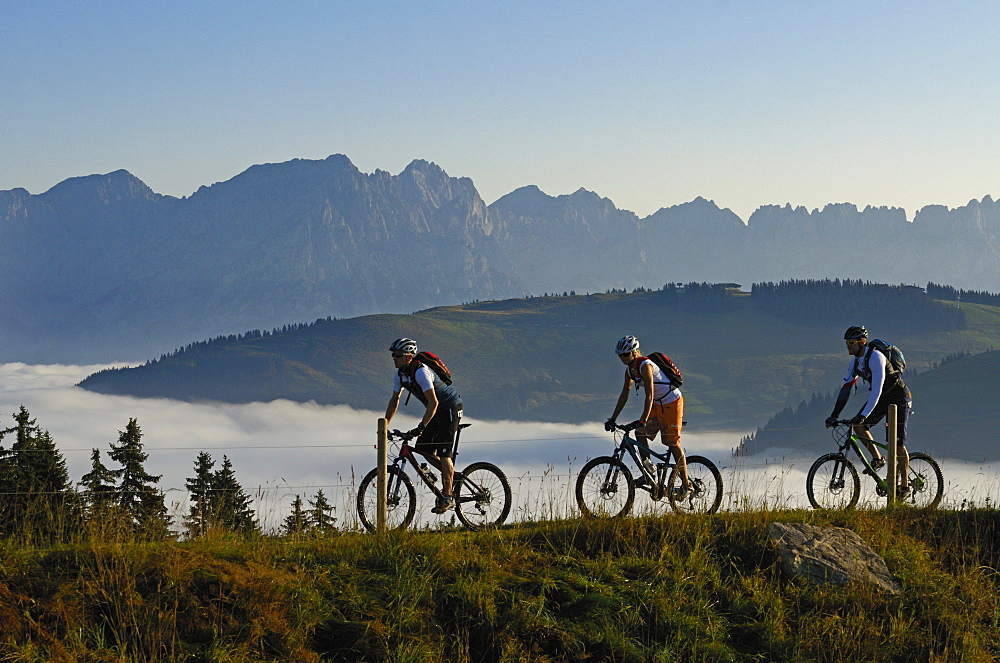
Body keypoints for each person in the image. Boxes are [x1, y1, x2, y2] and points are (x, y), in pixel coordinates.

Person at [825, 325, 912, 497]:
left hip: (899, 398)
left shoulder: (876, 358)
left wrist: (864, 414)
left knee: (896, 443)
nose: (848, 346)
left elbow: (876, 391)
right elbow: (845, 390)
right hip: (882, 399)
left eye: (851, 342)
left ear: (862, 342)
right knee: (858, 426)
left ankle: (904, 486)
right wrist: (834, 415)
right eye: (846, 343)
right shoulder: (855, 363)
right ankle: (878, 458)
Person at [605, 335, 691, 497]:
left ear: (634, 352)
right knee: (640, 433)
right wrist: (613, 418)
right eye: (620, 355)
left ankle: (686, 485)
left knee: (672, 443)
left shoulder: (646, 365)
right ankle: (648, 472)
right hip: (657, 405)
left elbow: (649, 394)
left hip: (672, 402)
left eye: (625, 354)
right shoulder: (630, 370)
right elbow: (625, 393)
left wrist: (643, 419)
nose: (622, 358)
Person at [384, 338, 463, 513]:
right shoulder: (400, 375)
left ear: (409, 357)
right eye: (393, 355)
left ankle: (448, 495)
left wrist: (421, 426)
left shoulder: (420, 371)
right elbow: (394, 400)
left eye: (398, 355)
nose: (394, 358)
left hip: (449, 407)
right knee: (424, 449)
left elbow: (433, 402)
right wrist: (385, 425)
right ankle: (449, 475)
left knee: (444, 453)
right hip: (435, 411)